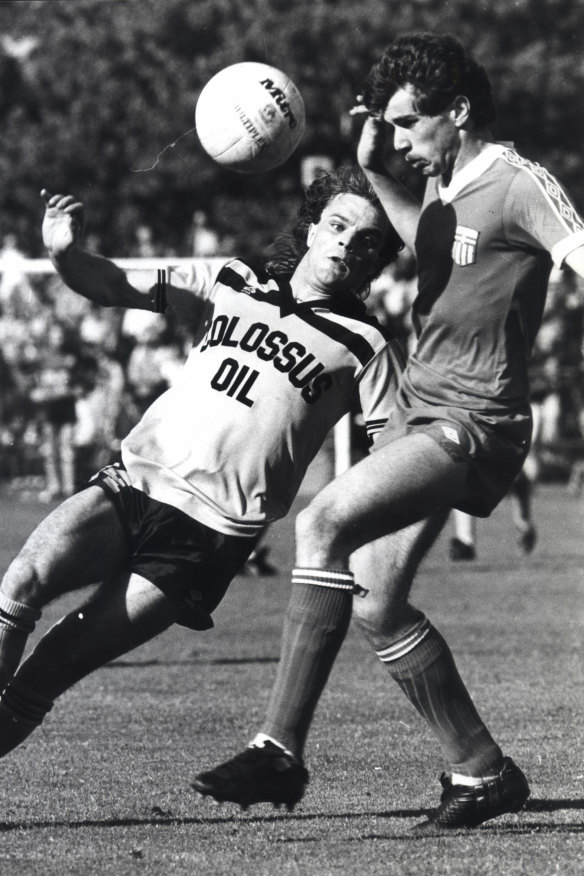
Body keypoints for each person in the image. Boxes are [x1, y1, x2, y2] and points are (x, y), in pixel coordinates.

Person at [193, 32, 584, 829]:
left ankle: (279, 750)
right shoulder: (442, 187)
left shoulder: (518, 184)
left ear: (460, 112)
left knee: (324, 518)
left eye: (408, 125)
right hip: (422, 409)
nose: (401, 141)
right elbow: (428, 239)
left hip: (475, 421)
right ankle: (482, 771)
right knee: (373, 603)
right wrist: (373, 165)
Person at [0, 168, 406, 783]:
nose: (348, 244)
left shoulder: (365, 345)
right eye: (339, 225)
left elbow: (396, 453)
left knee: (49, 669)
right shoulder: (232, 280)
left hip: (207, 540)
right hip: (134, 485)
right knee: (19, 584)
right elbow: (111, 284)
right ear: (313, 227)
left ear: (378, 258)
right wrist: (65, 254)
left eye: (368, 239)